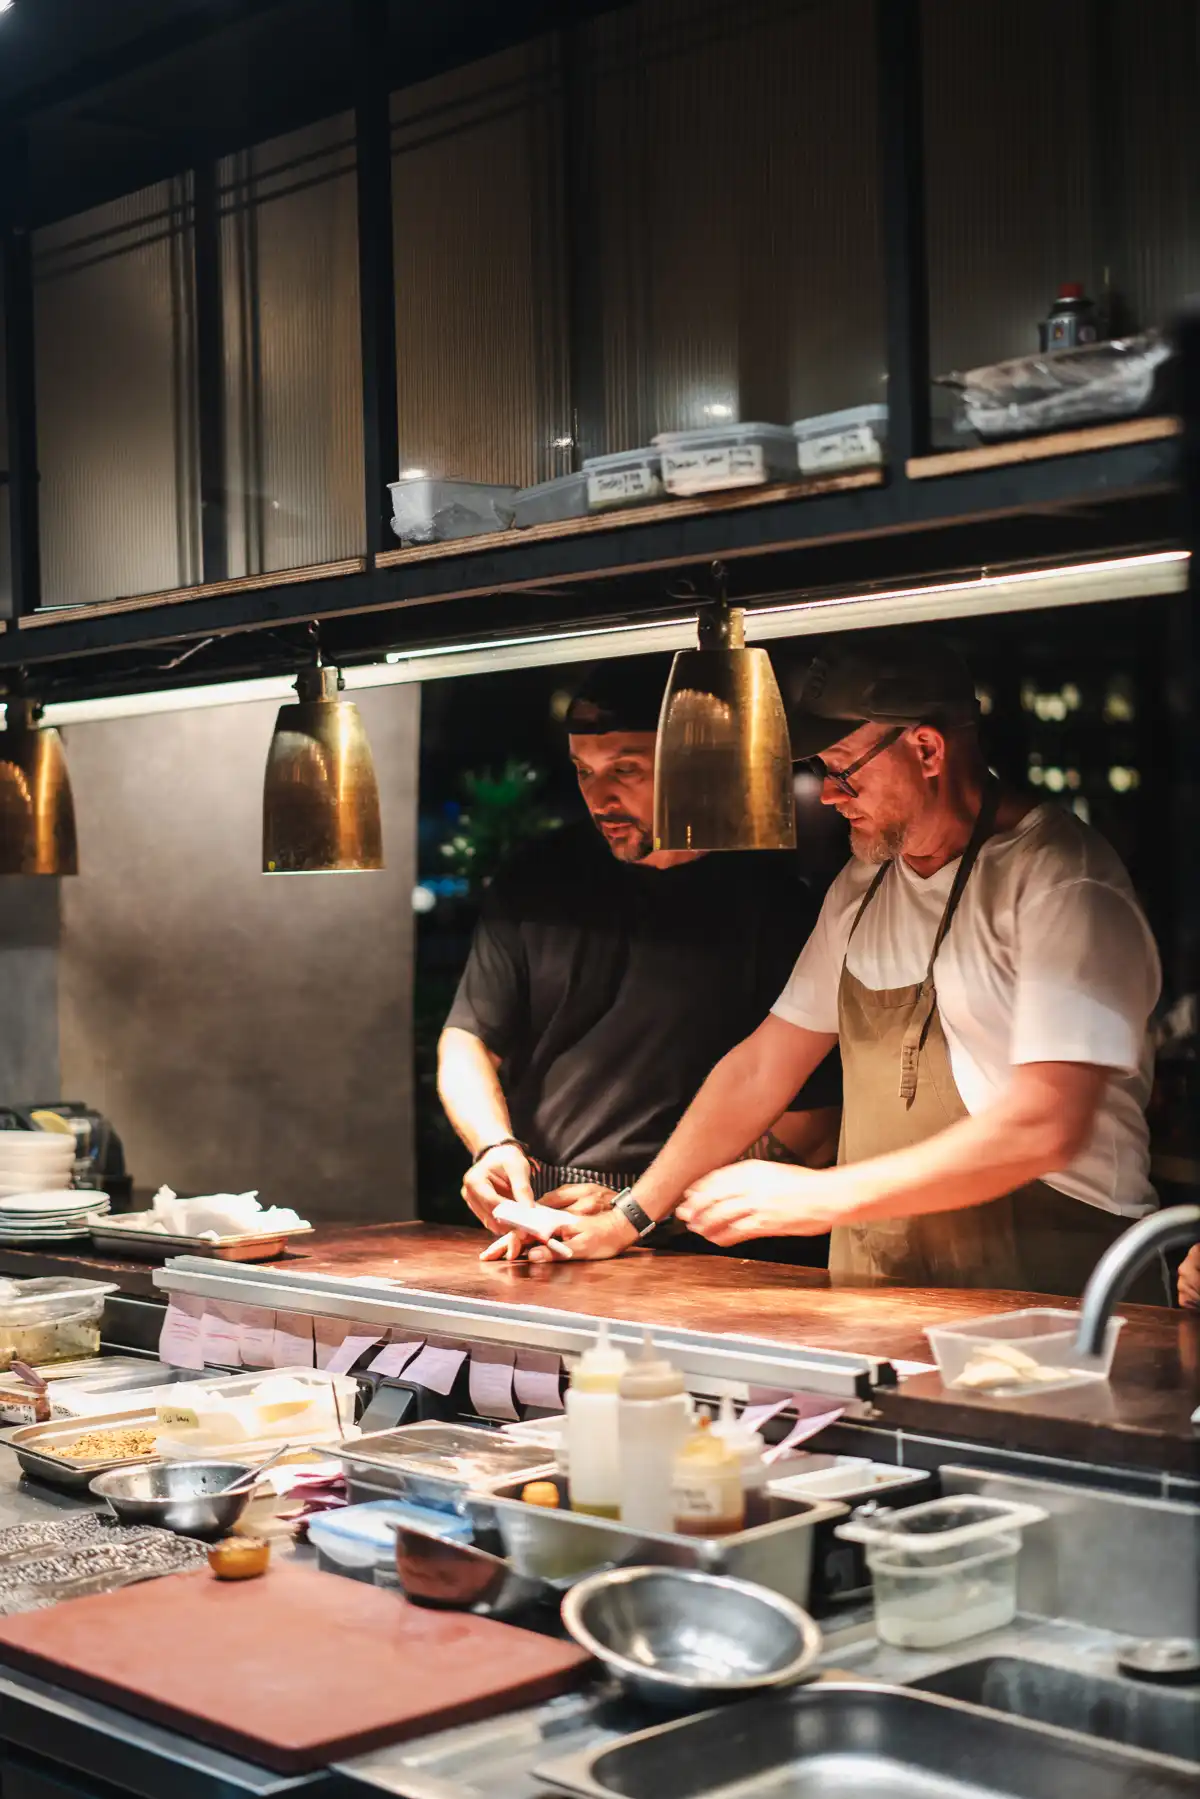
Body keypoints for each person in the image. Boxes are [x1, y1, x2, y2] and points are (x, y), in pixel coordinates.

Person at [540, 632, 1167, 1300]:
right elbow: (762, 1066)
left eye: (843, 769)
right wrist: (630, 1216)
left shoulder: (1061, 881)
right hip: (887, 1290)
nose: (829, 795)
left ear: (927, 749)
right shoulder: (863, 887)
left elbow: (1047, 1124)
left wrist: (821, 1196)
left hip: (1056, 1291)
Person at [437, 655, 841, 1261]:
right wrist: (493, 1146)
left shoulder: (774, 903)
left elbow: (812, 1127)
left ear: (689, 767)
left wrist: (639, 1212)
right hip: (544, 1219)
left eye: (626, 769)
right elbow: (467, 1039)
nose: (598, 796)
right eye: (583, 771)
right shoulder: (537, 880)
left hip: (703, 1248)